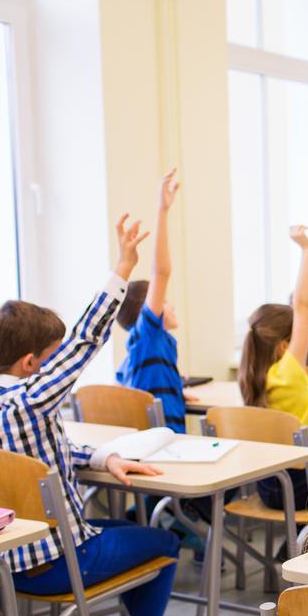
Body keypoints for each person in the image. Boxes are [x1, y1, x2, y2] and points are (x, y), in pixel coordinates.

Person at [0, 215, 204, 616]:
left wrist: (103, 456)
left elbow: (41, 453)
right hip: (59, 560)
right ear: (32, 365)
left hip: (6, 564)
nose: (62, 366)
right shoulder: (30, 399)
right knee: (163, 544)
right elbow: (85, 340)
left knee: (127, 533)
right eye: (52, 359)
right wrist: (122, 266)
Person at [239, 225, 308, 510]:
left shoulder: (252, 377)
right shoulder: (289, 372)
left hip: (268, 486)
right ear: (284, 346)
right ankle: (305, 543)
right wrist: (306, 249)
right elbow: (303, 307)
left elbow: (285, 413)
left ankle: (295, 541)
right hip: (304, 487)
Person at [115, 169, 192, 433]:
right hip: (166, 445)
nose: (170, 306)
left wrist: (176, 391)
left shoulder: (137, 352)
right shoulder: (149, 338)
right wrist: (162, 210)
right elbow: (161, 272)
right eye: (165, 302)